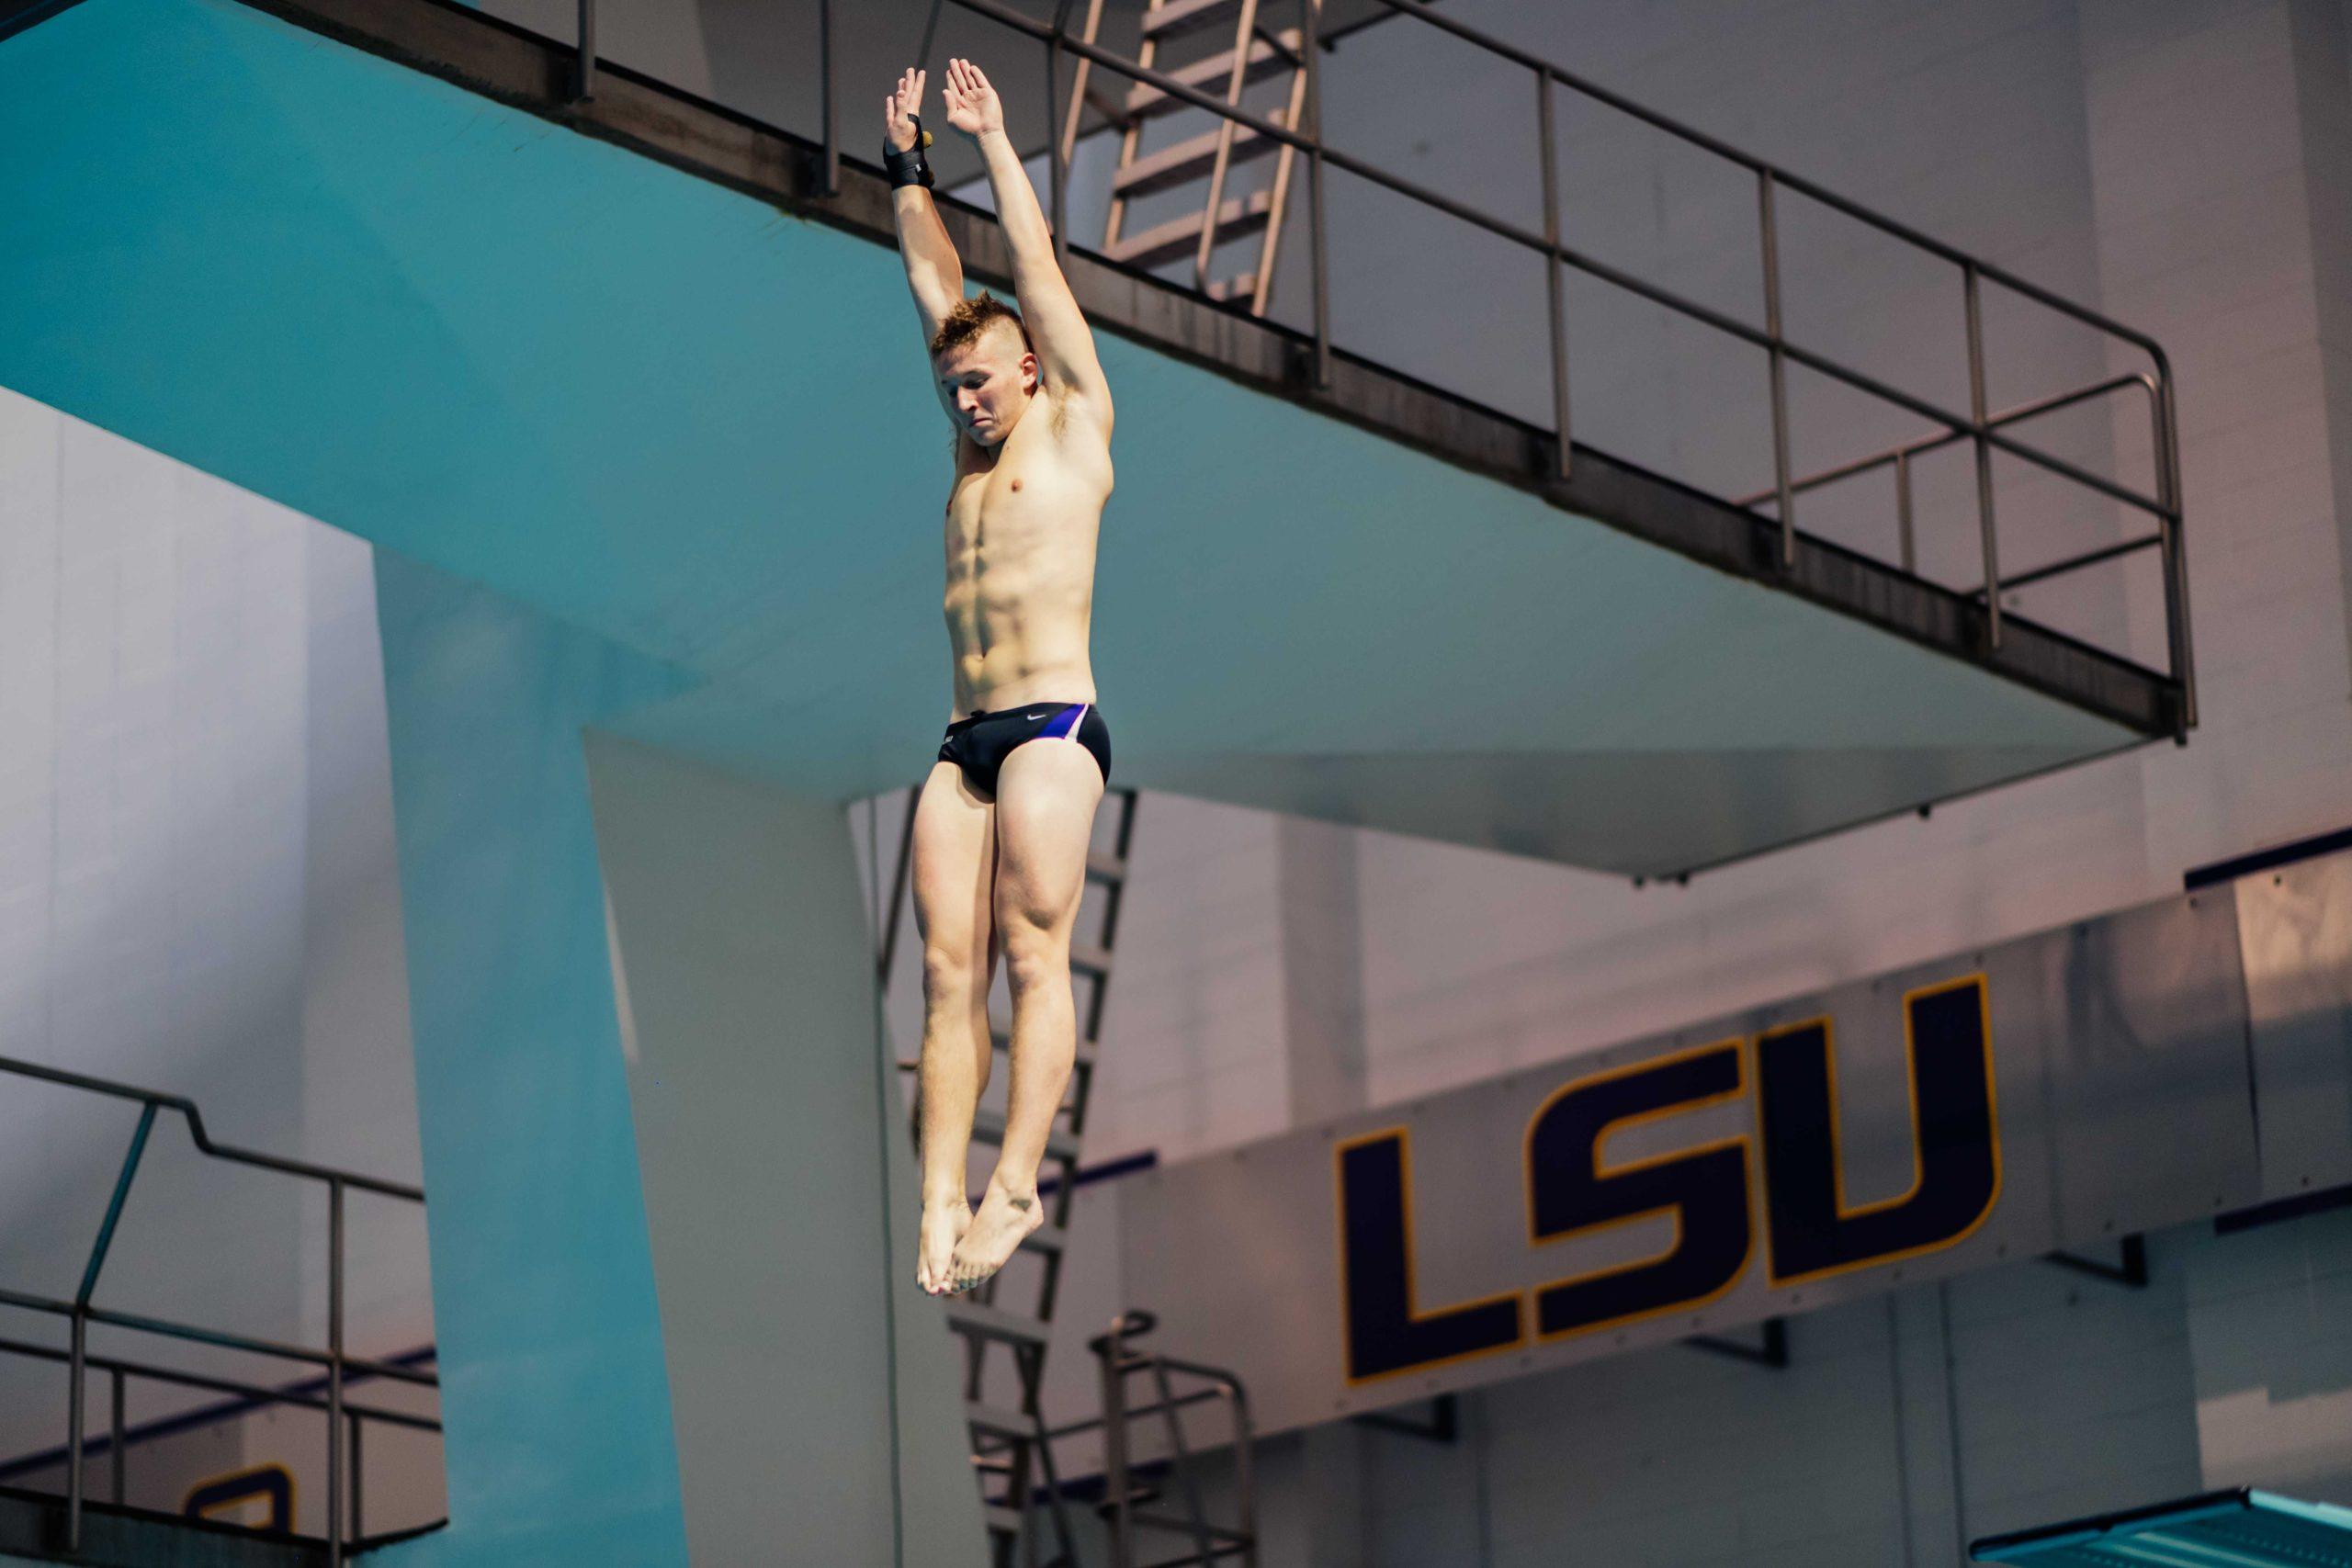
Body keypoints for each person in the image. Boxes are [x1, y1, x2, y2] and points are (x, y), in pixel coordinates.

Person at [885, 59, 1115, 1297]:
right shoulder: (969, 450)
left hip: (1052, 730)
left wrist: (991, 142)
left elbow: (1032, 281)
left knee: (1035, 955)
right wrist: (910, 166)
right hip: (966, 735)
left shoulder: (1072, 423)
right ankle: (938, 1190)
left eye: (984, 380)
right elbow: (937, 285)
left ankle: (1016, 1179)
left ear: (1034, 370)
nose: (967, 401)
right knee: (945, 974)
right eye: (954, 387)